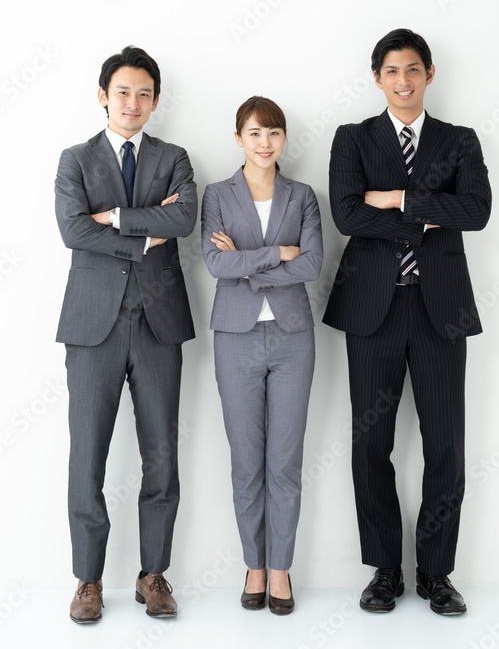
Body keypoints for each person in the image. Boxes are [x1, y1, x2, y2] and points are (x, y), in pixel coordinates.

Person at [324, 29, 491, 616]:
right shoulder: (354, 139)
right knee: (372, 443)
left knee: (446, 444)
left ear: (429, 74)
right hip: (374, 309)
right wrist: (426, 219)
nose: (403, 80)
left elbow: (476, 211)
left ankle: (436, 574)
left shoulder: (459, 140)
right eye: (391, 71)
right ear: (377, 78)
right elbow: (346, 214)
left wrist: (396, 200)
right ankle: (386, 570)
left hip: (440, 309)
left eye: (413, 70)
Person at [54, 45, 197, 624]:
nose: (133, 103)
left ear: (155, 101)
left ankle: (153, 575)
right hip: (93, 326)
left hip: (159, 324)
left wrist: (111, 217)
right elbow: (70, 230)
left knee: (161, 454)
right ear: (103, 95)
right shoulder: (75, 159)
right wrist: (144, 235)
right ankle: (88, 581)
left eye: (144, 94)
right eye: (123, 92)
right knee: (87, 455)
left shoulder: (174, 156)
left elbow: (185, 218)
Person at [201, 96, 323, 615]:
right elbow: (213, 263)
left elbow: (313, 263)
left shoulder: (302, 196)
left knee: (285, 463)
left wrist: (246, 264)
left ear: (284, 138)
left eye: (273, 133)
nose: (265, 143)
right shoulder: (217, 195)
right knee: (247, 462)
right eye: (254, 133)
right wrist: (277, 254)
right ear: (238, 139)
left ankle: (280, 570)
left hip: (294, 339)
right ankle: (253, 565)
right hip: (235, 337)